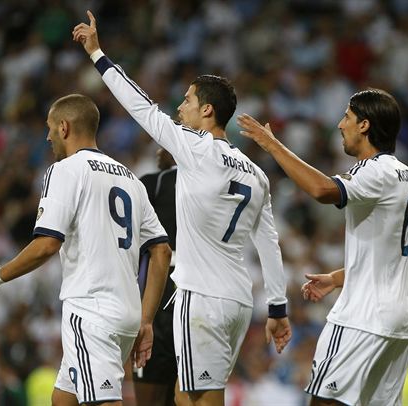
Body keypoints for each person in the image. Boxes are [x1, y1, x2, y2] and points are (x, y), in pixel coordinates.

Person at [73, 11, 291, 406]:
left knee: (197, 399)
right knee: (186, 397)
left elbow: (142, 108)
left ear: (207, 110)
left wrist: (97, 55)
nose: (180, 107)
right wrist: (277, 307)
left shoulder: (196, 148)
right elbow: (269, 243)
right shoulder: (257, 174)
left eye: (188, 100)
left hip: (201, 296)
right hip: (239, 302)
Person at [0, 93, 172, 406]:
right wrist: (146, 320)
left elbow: (47, 244)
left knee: (103, 401)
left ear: (64, 127)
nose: (48, 136)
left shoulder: (65, 170)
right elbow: (162, 251)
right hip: (127, 315)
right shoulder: (130, 178)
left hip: (91, 311)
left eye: (50, 128)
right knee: (64, 398)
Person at [237, 88, 408, 405]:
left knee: (323, 401)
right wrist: (337, 278)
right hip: (399, 319)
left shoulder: (373, 170)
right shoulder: (406, 174)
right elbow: (390, 256)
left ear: (364, 125)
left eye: (347, 117)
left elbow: (322, 190)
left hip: (362, 316)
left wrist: (271, 145)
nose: (340, 125)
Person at [134, 148, 177, 406]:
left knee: (150, 394)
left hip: (161, 288)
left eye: (163, 145)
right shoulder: (216, 184)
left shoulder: (155, 183)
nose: (158, 152)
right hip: (203, 291)